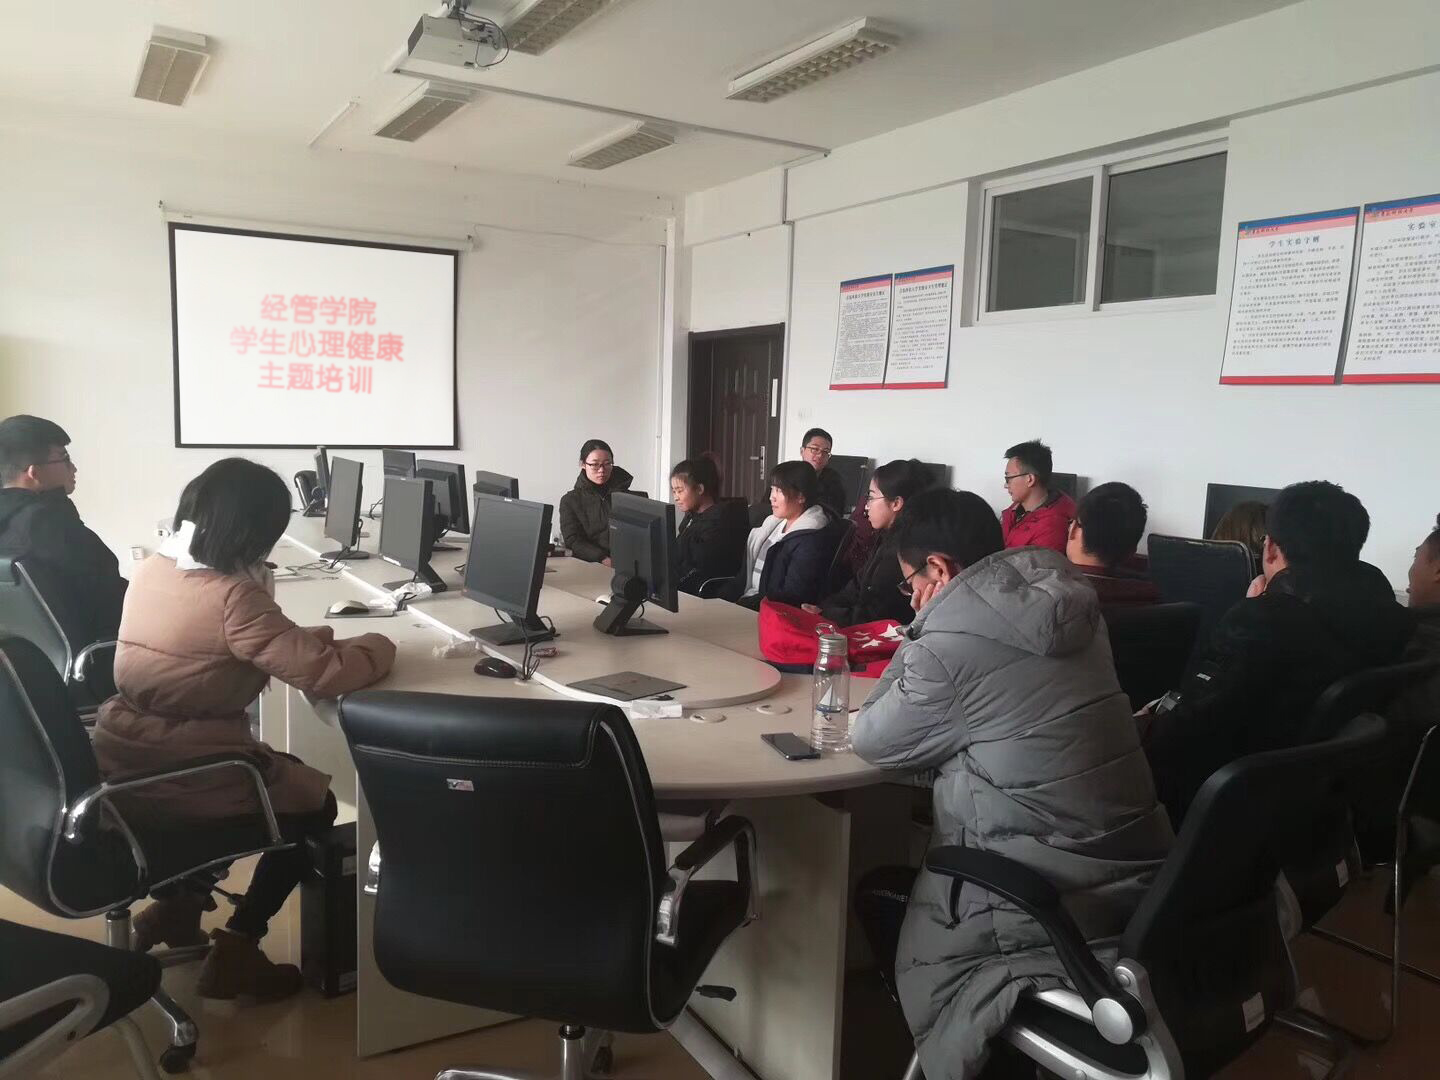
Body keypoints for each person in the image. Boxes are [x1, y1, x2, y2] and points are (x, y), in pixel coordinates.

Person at [851, 487, 1171, 1080]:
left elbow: (871, 738)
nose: (911, 596)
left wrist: (918, 632)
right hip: (1136, 879)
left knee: (881, 891)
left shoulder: (948, 647)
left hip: (1039, 904)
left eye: (910, 582)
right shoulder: (1073, 610)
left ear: (939, 569)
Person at [92, 459, 397, 1002]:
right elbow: (328, 675)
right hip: (186, 766)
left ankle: (178, 908)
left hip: (125, 749)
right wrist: (380, 643)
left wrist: (309, 638)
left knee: (283, 773)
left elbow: (239, 641)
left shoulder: (157, 567)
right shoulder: (233, 595)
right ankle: (239, 945)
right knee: (315, 804)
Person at [1143, 480, 1414, 826]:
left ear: (1270, 548)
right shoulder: (1392, 617)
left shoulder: (1261, 621)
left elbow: (1186, 732)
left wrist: (1255, 607)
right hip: (1311, 803)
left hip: (1219, 801)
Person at [0, 414, 128, 648]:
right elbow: (108, 593)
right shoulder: (48, 524)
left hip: (32, 662)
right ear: (34, 473)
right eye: (64, 458)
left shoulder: (13, 522)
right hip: (101, 652)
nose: (74, 468)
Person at [808, 458, 931, 626]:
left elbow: (878, 615)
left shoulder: (905, 552)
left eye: (871, 497)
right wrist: (824, 608)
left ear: (896, 503)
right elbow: (858, 585)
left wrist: (826, 614)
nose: (866, 506)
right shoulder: (885, 536)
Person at [724, 460, 836, 610]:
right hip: (746, 603)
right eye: (772, 489)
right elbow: (742, 579)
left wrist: (739, 606)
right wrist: (720, 600)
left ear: (801, 496)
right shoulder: (772, 525)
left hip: (765, 612)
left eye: (779, 491)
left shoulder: (811, 540)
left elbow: (790, 596)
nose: (772, 497)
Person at [1065, 481, 1160, 606]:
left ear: (1074, 531)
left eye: (1070, 523)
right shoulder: (1150, 596)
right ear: (1132, 550)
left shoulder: (1050, 593)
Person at [670, 456, 747, 593]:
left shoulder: (721, 521)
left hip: (703, 589)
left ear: (699, 489)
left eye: (680, 491)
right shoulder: (692, 516)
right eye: (674, 491)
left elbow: (701, 562)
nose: (676, 497)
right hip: (683, 582)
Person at [559, 439, 634, 565]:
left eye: (607, 464)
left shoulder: (628, 498)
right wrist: (602, 558)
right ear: (583, 464)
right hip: (590, 566)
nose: (601, 470)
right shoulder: (571, 501)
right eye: (595, 464)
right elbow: (573, 540)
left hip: (628, 563)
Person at [1000, 439, 1075, 552]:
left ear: (1030, 479)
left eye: (1008, 478)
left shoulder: (1051, 530)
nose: (1006, 485)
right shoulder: (1018, 507)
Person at [800, 427, 848, 519]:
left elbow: (834, 516)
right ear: (802, 451)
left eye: (826, 451)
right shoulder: (787, 475)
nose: (820, 455)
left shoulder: (834, 482)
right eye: (815, 449)